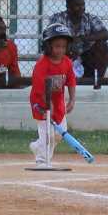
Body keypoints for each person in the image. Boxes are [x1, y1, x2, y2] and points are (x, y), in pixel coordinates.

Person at [28, 23, 78, 170]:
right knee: (47, 134)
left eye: (63, 46)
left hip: (58, 102)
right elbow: (39, 88)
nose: (60, 50)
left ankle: (37, 146)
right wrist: (47, 104)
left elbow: (71, 81)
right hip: (41, 102)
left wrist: (72, 99)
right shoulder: (42, 65)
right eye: (57, 46)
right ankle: (42, 160)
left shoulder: (67, 62)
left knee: (59, 134)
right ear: (48, 46)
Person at [43, 0, 108, 89]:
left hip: (86, 56)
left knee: (102, 45)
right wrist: (69, 44)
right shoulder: (58, 18)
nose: (81, 8)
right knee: (56, 45)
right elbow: (49, 37)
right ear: (68, 6)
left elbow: (106, 34)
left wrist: (82, 39)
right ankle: (57, 84)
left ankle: (97, 83)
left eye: (83, 5)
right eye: (77, 5)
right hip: (65, 55)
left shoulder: (90, 18)